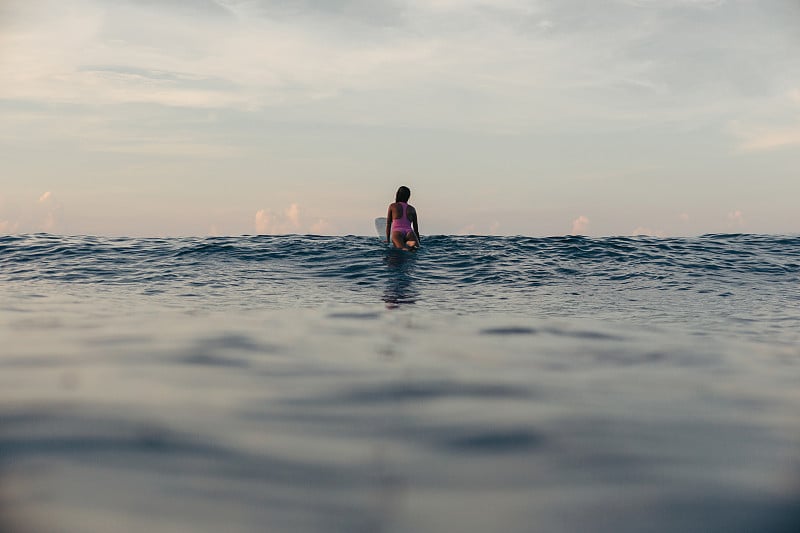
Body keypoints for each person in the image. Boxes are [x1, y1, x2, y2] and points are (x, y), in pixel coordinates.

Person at [386, 186, 420, 250]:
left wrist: (387, 240)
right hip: (410, 232)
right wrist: (418, 240)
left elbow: (388, 224)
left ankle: (405, 246)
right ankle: (409, 243)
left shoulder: (393, 206)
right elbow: (416, 229)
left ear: (397, 194)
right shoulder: (412, 209)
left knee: (402, 249)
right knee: (415, 249)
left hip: (397, 232)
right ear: (408, 197)